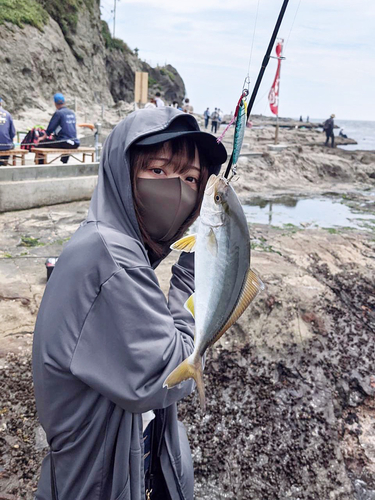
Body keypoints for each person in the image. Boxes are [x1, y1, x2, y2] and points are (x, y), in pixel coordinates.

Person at [32, 107, 227, 500]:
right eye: (158, 171)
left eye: (190, 179)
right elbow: (173, 371)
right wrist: (194, 274)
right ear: (123, 173)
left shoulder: (120, 249)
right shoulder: (110, 258)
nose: (177, 190)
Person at [36, 93, 80, 164]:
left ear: (55, 103)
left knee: (41, 144)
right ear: (64, 102)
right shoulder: (72, 113)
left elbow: (50, 129)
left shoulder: (58, 113)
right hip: (75, 143)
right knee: (65, 141)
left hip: (66, 143)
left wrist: (41, 138)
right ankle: (64, 162)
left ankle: (41, 165)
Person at [0, 97, 16, 166]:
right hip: (6, 146)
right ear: (1, 103)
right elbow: (12, 133)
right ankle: (3, 163)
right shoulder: (8, 114)